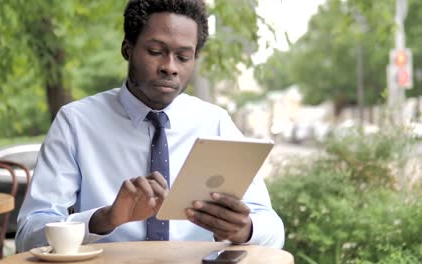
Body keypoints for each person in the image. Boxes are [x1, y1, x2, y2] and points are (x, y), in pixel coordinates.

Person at [15, 0, 284, 252]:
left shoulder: (215, 123)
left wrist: (245, 229)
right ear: (127, 49)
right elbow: (29, 234)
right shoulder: (75, 123)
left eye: (183, 57)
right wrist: (104, 219)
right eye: (156, 52)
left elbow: (273, 230)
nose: (170, 67)